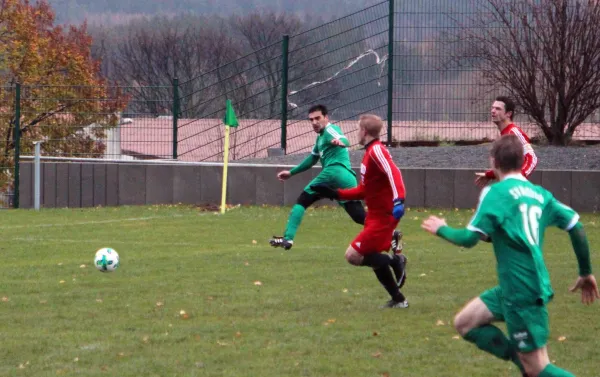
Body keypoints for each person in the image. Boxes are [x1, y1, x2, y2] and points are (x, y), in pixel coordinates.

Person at [422, 134, 599, 377]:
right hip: (514, 287)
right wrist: (586, 272)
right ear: (522, 160)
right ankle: (520, 360)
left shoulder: (495, 193)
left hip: (522, 290)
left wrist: (441, 228)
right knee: (465, 323)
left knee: (538, 368)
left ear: (493, 161)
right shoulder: (539, 194)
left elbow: (469, 239)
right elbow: (575, 226)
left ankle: (526, 365)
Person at [270, 104, 402, 252]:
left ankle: (288, 238)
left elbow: (343, 139)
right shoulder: (320, 139)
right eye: (311, 120)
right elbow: (312, 160)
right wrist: (291, 172)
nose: (314, 122)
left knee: (303, 200)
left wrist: (341, 142)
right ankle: (391, 234)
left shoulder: (330, 129)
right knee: (358, 215)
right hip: (347, 177)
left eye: (317, 118)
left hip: (333, 172)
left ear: (326, 118)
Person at [311, 114, 409, 308]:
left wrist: (399, 200)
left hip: (384, 217)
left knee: (353, 255)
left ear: (364, 131)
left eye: (358, 129)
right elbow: (365, 189)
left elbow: (393, 172)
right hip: (374, 216)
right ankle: (399, 300)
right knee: (372, 258)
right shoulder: (369, 153)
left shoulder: (377, 151)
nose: (356, 133)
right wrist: (335, 194)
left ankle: (396, 260)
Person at [475, 96, 538, 188]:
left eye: (498, 109)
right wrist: (490, 174)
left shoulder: (514, 132)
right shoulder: (504, 134)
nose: (493, 111)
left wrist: (520, 177)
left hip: (516, 188)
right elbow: (507, 166)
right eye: (492, 108)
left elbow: (532, 158)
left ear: (508, 114)